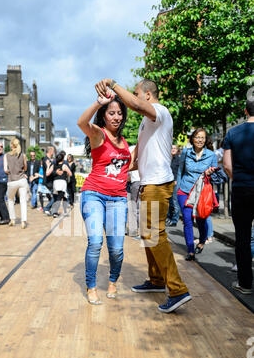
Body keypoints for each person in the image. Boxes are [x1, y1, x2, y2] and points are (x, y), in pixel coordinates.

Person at [95, 78, 190, 313]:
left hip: (158, 183)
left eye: (137, 93)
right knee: (149, 235)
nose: (136, 98)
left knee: (155, 234)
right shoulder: (146, 123)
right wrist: (116, 172)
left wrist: (113, 85)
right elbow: (136, 157)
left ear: (147, 95)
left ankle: (177, 290)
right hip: (149, 183)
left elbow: (136, 106)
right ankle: (157, 280)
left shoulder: (159, 111)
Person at [77, 89, 132, 305]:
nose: (116, 117)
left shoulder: (125, 142)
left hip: (118, 198)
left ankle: (112, 281)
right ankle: (91, 286)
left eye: (119, 113)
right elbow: (81, 122)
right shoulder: (98, 134)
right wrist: (98, 103)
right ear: (103, 115)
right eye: (111, 113)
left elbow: (126, 167)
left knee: (117, 249)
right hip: (94, 194)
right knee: (95, 242)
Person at [223, 97, 254, 295]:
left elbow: (226, 165)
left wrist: (240, 179)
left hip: (242, 189)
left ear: (245, 111)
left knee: (242, 238)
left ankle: (245, 284)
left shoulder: (233, 132)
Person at [177, 128, 217, 261]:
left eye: (202, 138)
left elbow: (217, 177)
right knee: (187, 220)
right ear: (192, 139)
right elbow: (180, 171)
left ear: (206, 140)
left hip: (201, 192)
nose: (200, 140)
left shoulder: (211, 155)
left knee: (201, 220)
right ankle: (190, 250)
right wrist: (177, 189)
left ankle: (202, 240)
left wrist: (211, 173)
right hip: (185, 190)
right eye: (197, 137)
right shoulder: (186, 152)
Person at [4, 138, 28, 229]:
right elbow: (25, 169)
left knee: (10, 200)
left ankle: (12, 219)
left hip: (12, 180)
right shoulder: (23, 155)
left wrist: (11, 171)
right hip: (22, 180)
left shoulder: (6, 155)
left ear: (11, 145)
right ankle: (23, 221)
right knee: (23, 201)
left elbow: (5, 170)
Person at [46, 151, 72, 217]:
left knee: (56, 197)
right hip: (62, 182)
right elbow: (70, 174)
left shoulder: (53, 165)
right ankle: (54, 212)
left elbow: (47, 174)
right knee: (59, 198)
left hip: (55, 183)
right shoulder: (64, 165)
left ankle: (53, 211)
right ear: (63, 159)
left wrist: (48, 166)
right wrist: (66, 174)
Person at [126, 145, 140, 237]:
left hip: (134, 181)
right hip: (140, 181)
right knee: (138, 207)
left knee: (133, 207)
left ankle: (133, 230)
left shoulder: (130, 149)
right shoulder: (146, 148)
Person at [166, 144, 181, 227]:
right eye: (172, 148)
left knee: (175, 201)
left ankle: (174, 220)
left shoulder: (178, 159)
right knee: (169, 201)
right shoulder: (167, 158)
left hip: (175, 182)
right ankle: (169, 218)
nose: (173, 149)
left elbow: (178, 171)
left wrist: (176, 180)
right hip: (167, 182)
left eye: (175, 148)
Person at [42, 146, 56, 215]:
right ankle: (46, 208)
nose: (53, 152)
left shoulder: (49, 159)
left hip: (50, 181)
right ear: (50, 151)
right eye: (53, 151)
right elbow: (48, 172)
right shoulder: (46, 159)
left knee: (54, 196)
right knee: (56, 196)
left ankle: (51, 210)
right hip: (48, 181)